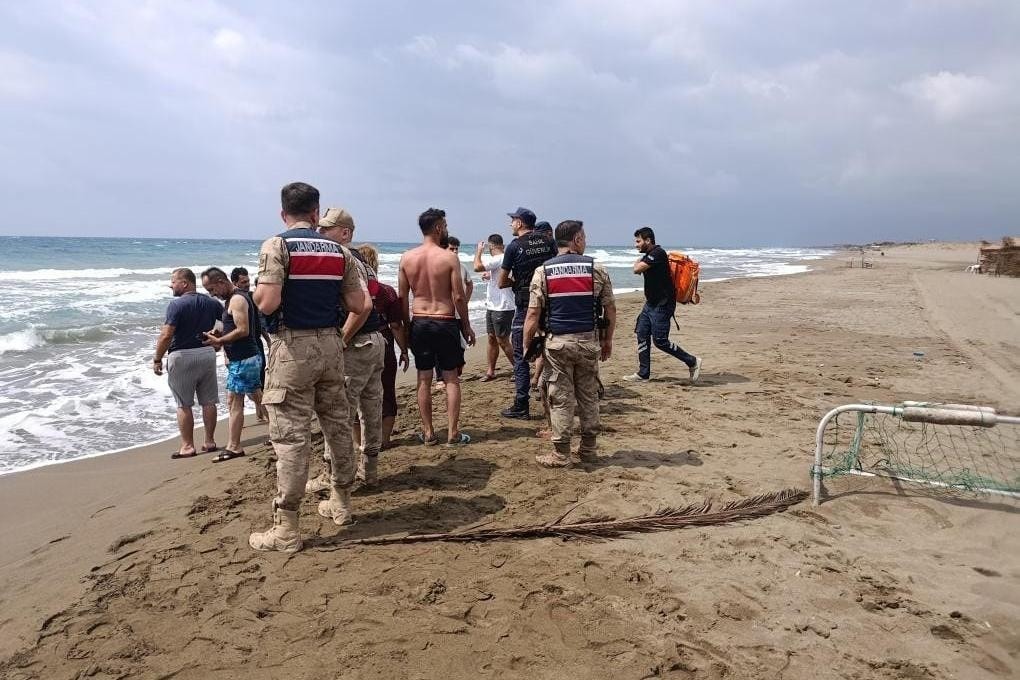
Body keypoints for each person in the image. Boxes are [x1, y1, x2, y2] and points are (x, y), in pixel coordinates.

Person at [248, 182, 368, 554]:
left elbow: (267, 303)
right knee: (337, 425)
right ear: (316, 215)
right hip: (331, 344)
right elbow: (359, 304)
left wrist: (253, 294)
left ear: (284, 213)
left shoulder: (277, 245)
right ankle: (341, 503)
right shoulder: (339, 251)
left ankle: (286, 527)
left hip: (292, 348)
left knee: (292, 438)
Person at [523, 220, 616, 467]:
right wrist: (607, 341)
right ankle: (588, 449)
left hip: (558, 344)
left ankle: (561, 454)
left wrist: (526, 345)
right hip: (588, 342)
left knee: (560, 397)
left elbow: (532, 315)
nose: (585, 241)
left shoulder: (543, 271)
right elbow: (610, 309)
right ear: (576, 239)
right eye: (584, 237)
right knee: (588, 396)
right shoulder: (597, 269)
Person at [311, 206, 386, 487]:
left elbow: (362, 306)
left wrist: (341, 339)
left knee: (339, 413)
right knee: (370, 409)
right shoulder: (360, 259)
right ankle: (370, 471)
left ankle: (332, 475)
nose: (320, 233)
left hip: (358, 342)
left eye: (326, 229)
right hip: (374, 340)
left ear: (344, 233)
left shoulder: (346, 259)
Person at [398, 208, 476, 446]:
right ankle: (453, 433)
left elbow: (402, 298)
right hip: (444, 322)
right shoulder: (449, 258)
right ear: (439, 227)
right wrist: (466, 326)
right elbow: (459, 297)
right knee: (451, 379)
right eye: (445, 224)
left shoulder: (407, 258)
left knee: (423, 379)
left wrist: (407, 326)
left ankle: (429, 432)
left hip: (420, 321)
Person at [152, 268, 223, 459]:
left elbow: (167, 335)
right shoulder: (211, 302)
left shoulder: (176, 305)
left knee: (183, 404)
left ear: (185, 283)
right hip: (207, 353)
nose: (171, 285)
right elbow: (224, 322)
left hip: (182, 355)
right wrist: (216, 339)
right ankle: (209, 441)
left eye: (173, 281)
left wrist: (157, 358)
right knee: (209, 401)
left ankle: (188, 446)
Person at [200, 267, 262, 462]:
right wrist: (218, 333)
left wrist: (220, 341)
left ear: (221, 282)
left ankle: (234, 447)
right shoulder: (232, 299)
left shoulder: (237, 299)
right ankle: (279, 430)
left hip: (244, 358)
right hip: (245, 357)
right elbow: (232, 325)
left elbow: (243, 329)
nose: (212, 294)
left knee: (235, 401)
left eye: (211, 289)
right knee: (257, 397)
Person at [498, 207, 556, 419]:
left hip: (525, 303)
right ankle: (554, 397)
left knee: (521, 354)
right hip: (550, 303)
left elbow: (501, 281)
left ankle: (522, 404)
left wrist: (517, 283)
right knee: (551, 349)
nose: (510, 224)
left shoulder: (514, 246)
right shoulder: (549, 242)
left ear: (520, 223)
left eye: (512, 220)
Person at [624, 227, 702, 383]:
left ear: (648, 240)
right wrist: (639, 262)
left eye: (638, 241)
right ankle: (643, 373)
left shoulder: (657, 253)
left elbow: (637, 269)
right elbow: (639, 269)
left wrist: (637, 263)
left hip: (663, 304)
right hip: (650, 304)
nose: (636, 245)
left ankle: (692, 361)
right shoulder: (649, 255)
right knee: (641, 333)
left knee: (660, 340)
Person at [357, 243, 409, 450]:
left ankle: (359, 441)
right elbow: (396, 325)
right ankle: (384, 439)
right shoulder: (386, 292)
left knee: (355, 394)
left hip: (356, 345)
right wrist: (404, 350)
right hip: (383, 343)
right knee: (386, 391)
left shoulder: (348, 292)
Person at [473, 234, 515, 381]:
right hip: (493, 305)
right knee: (491, 338)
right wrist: (490, 276)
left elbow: (477, 266)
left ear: (491, 246)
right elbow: (502, 275)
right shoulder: (501, 260)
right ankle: (491, 371)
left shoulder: (499, 258)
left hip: (503, 306)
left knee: (503, 340)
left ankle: (518, 368)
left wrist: (478, 250)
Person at [230, 267, 270, 421]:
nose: (247, 284)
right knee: (247, 388)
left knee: (259, 382)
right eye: (243, 282)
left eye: (247, 281)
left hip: (255, 344)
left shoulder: (252, 297)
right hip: (242, 348)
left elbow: (259, 323)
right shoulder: (234, 300)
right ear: (235, 283)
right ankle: (261, 414)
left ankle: (261, 415)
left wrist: (267, 340)